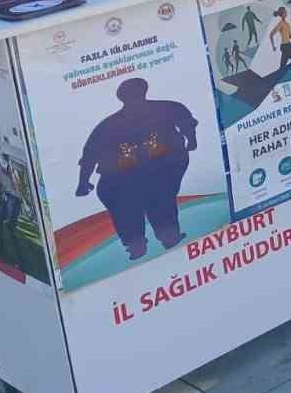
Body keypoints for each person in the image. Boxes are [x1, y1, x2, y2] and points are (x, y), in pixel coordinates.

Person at [75, 78, 198, 261]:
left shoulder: (109, 125)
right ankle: (145, 242)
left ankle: (151, 241)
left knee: (157, 200)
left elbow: (187, 125)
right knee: (141, 203)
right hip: (126, 180)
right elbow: (90, 155)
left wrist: (83, 183)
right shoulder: (167, 108)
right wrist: (83, 182)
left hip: (155, 173)